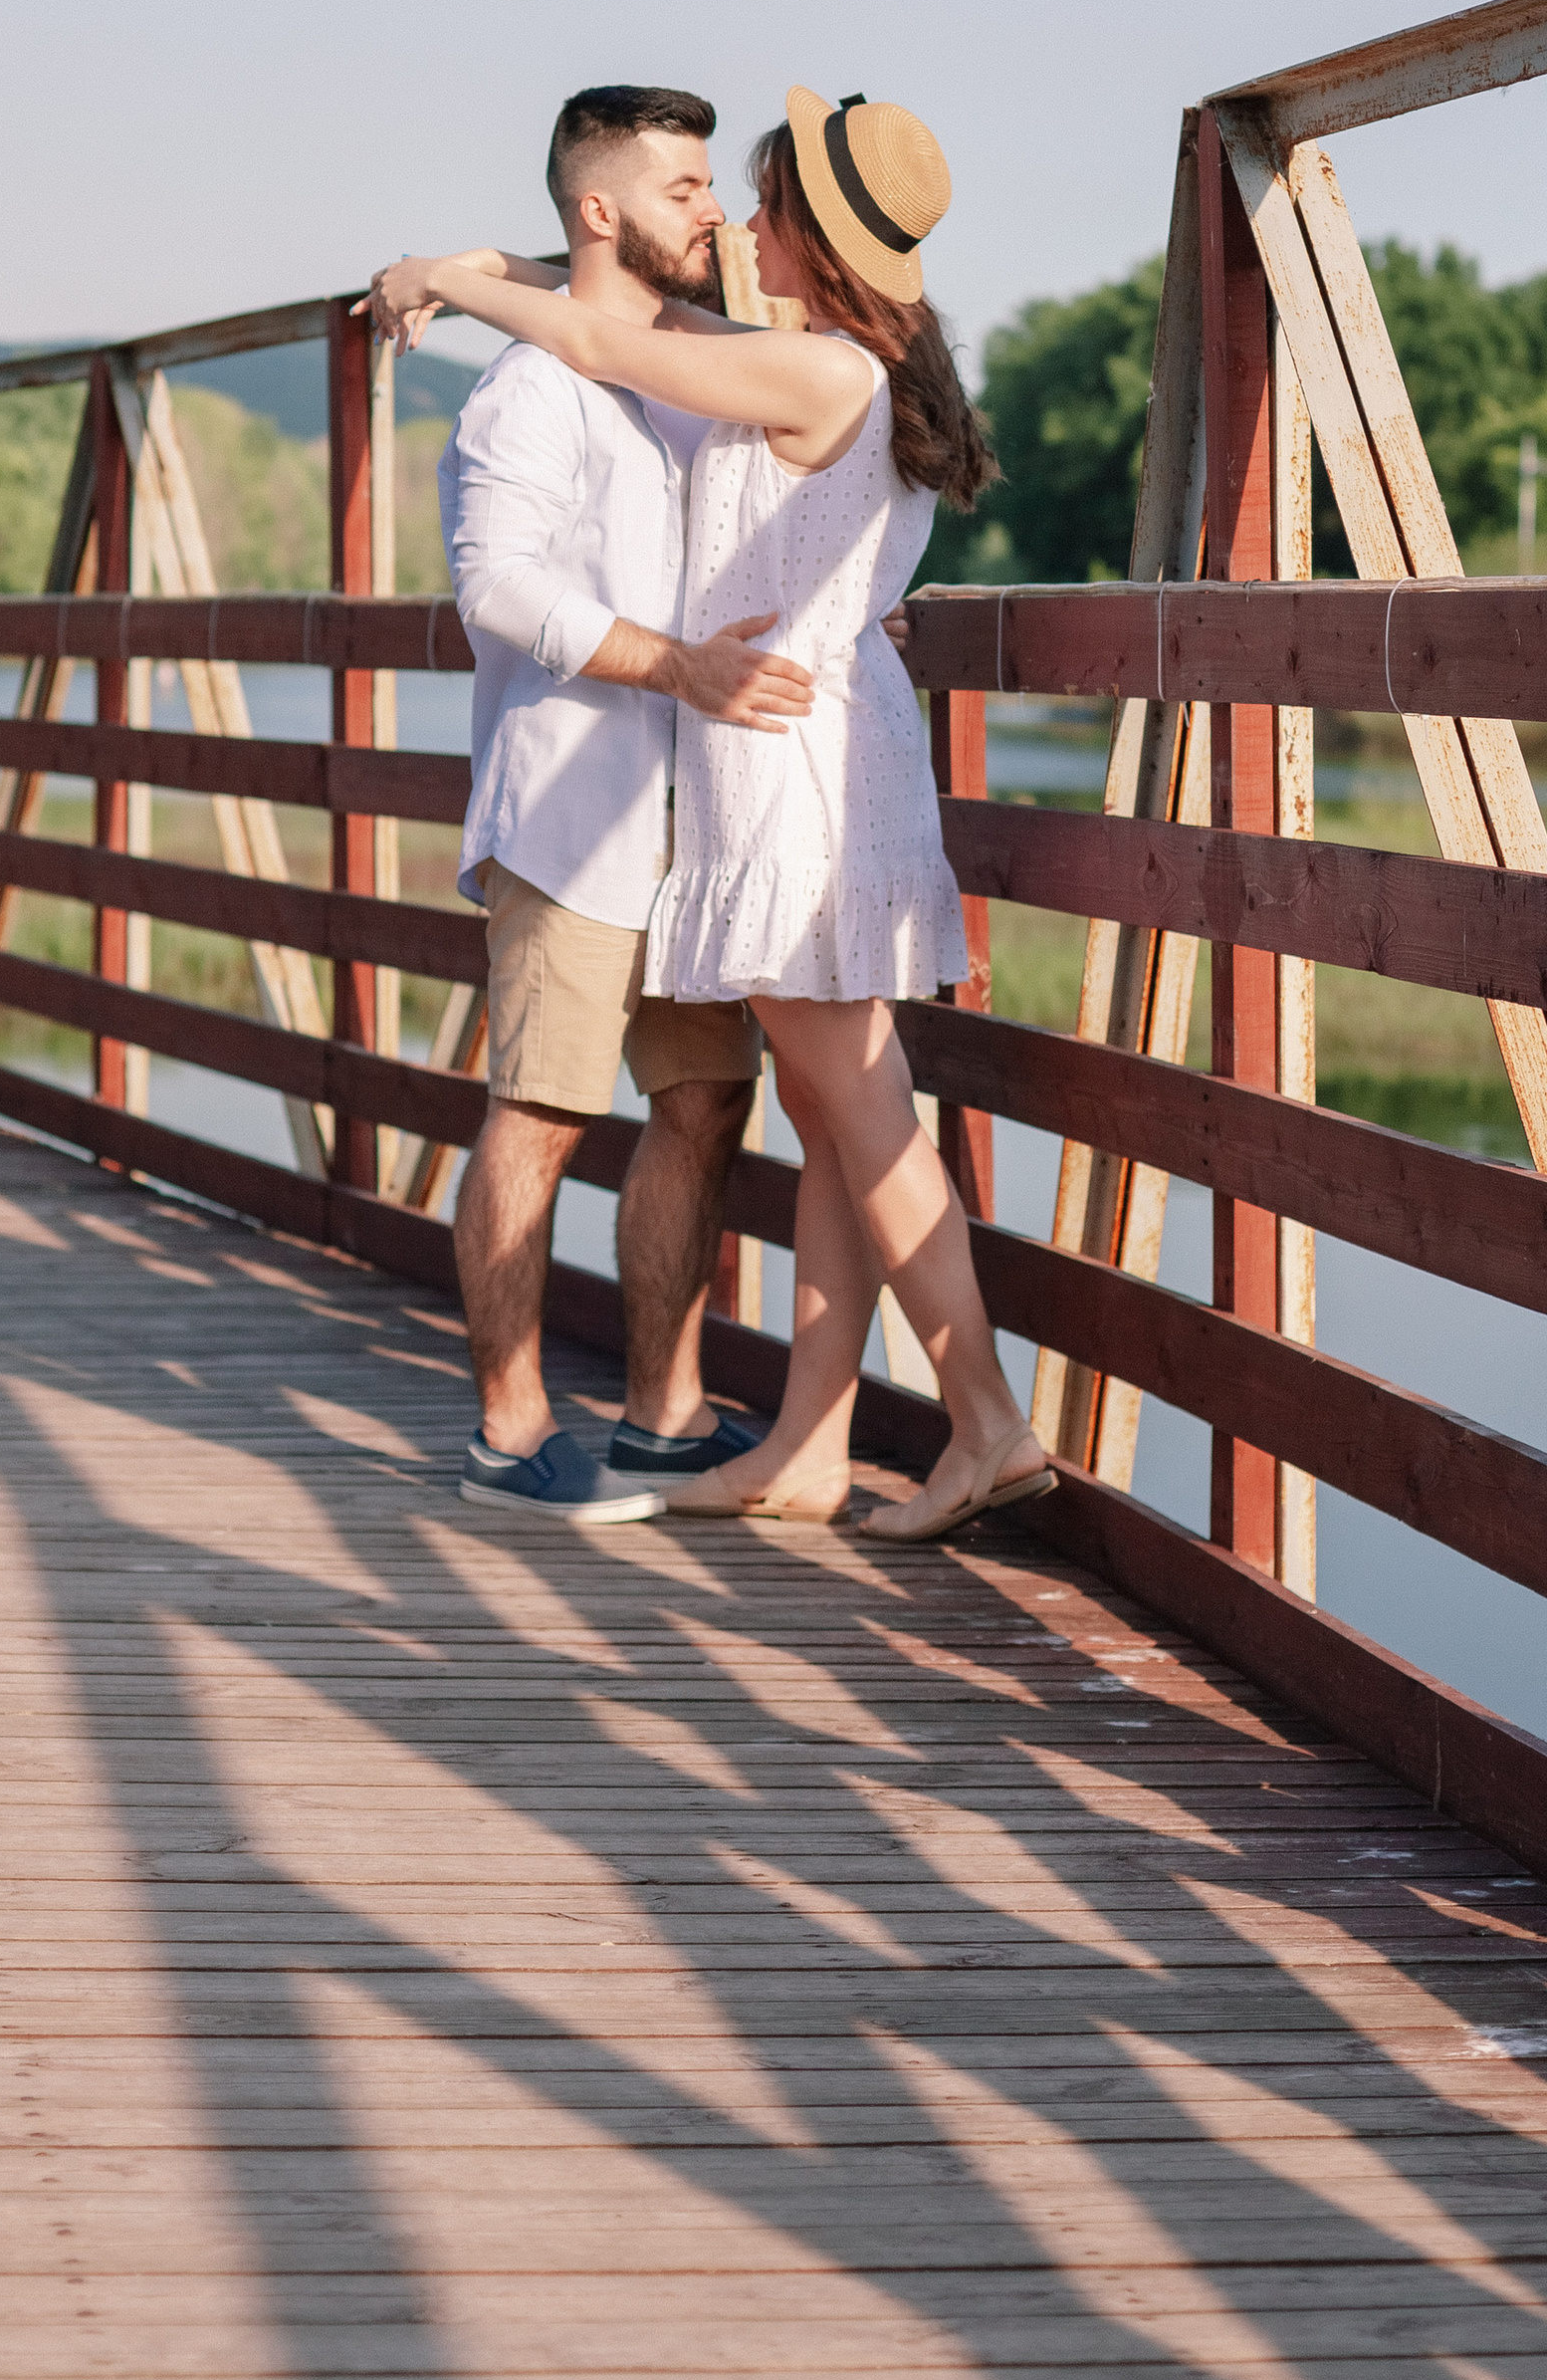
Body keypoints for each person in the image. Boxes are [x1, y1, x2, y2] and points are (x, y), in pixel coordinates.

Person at [371, 90, 1052, 1547]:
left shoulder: (818, 371)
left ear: (809, 232)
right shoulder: (809, 358)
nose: (736, 221)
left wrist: (445, 279)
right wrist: (501, 258)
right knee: (828, 1110)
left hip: (793, 769)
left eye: (755, 199)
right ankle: (810, 1441)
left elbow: (616, 337)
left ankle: (987, 1421)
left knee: (864, 1116)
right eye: (701, 191)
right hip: (774, 765)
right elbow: (616, 312)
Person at [424, 85, 822, 1529]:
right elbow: (500, 586)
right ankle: (509, 1423)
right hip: (569, 812)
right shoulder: (526, 391)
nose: (710, 208)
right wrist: (680, 667)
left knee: (709, 1100)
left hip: (698, 821)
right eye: (682, 186)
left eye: (713, 184)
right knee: (538, 1114)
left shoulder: (685, 364)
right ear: (600, 210)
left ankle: (664, 1413)